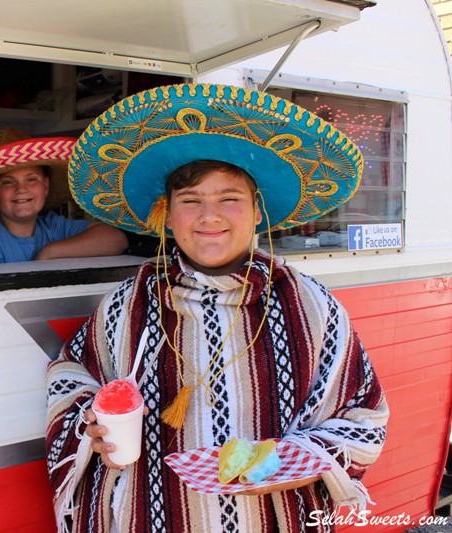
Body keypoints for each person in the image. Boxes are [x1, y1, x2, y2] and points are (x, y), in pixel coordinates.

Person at [47, 83, 389, 532]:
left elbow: (362, 417)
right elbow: (69, 373)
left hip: (269, 517)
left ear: (257, 211)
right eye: (190, 202)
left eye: (229, 198)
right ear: (166, 217)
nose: (209, 217)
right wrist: (89, 423)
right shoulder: (130, 302)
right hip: (150, 515)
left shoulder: (308, 306)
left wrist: (290, 461)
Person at [0, 127, 128, 266]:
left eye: (31, 179)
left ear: (45, 187)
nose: (21, 189)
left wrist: (49, 253)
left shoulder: (53, 226)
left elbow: (116, 239)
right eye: (8, 182)